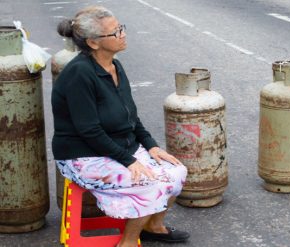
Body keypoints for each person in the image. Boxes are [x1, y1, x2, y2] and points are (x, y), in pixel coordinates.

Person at [52, 6, 189, 247]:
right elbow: (89, 131)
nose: (122, 34)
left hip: (119, 147)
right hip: (83, 155)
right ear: (93, 43)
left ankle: (153, 227)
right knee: (148, 182)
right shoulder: (79, 74)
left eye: (120, 28)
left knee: (176, 172)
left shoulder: (115, 66)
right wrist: (129, 160)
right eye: (115, 32)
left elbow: (130, 116)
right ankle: (127, 241)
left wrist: (151, 146)